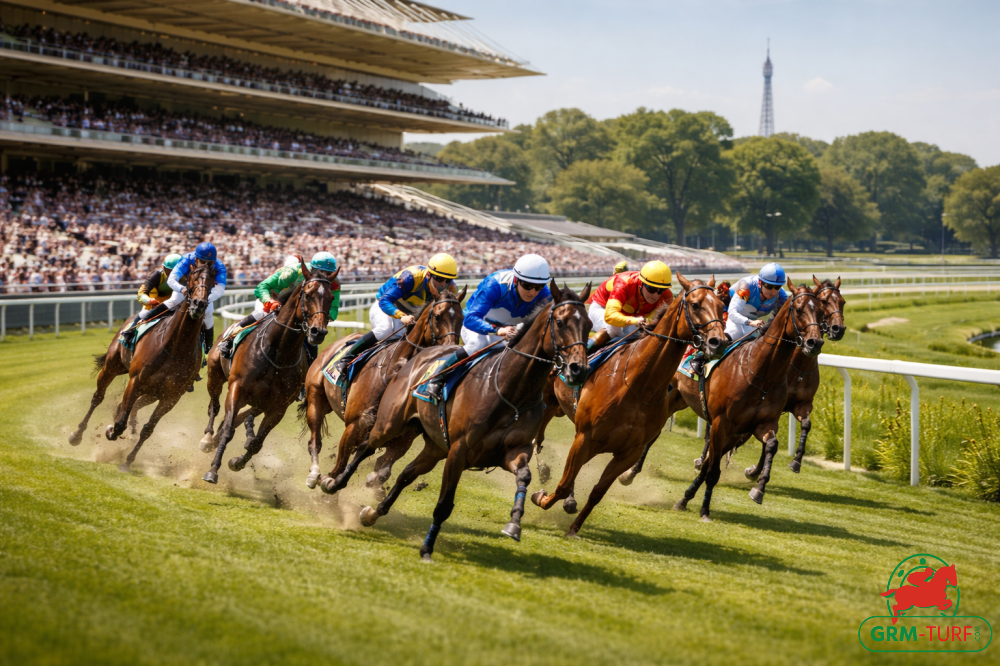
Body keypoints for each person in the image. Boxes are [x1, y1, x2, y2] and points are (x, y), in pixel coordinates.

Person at [422, 253, 552, 401]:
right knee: (477, 344)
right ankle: (438, 377)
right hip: (477, 325)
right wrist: (497, 330)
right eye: (527, 286)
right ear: (516, 280)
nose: (533, 292)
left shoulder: (544, 294)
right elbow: (470, 319)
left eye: (539, 287)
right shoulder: (495, 284)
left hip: (510, 329)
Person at [334, 253, 458, 373]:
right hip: (386, 308)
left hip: (412, 316)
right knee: (386, 329)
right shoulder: (410, 278)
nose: (443, 284)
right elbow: (385, 301)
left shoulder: (451, 288)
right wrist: (401, 316)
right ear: (428, 275)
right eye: (439, 279)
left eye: (448, 280)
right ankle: (347, 357)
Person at [218, 252, 341, 359]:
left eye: (329, 273)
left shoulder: (334, 283)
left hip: (297, 309)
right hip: (273, 299)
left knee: (310, 337)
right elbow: (262, 287)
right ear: (312, 268)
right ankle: (230, 338)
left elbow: (334, 311)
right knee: (261, 314)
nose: (325, 276)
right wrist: (269, 302)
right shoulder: (293, 272)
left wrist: (320, 313)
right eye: (321, 272)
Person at [136, 242, 227, 355]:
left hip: (205, 292)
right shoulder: (186, 259)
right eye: (203, 262)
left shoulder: (219, 266)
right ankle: (143, 321)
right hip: (186, 287)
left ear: (214, 261)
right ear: (196, 259)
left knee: (208, 313)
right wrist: (182, 289)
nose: (206, 265)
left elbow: (220, 289)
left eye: (210, 263)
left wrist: (205, 298)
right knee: (174, 301)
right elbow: (171, 280)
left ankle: (209, 346)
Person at [587, 260, 673, 351]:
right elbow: (609, 316)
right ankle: (584, 352)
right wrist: (633, 321)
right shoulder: (623, 284)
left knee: (638, 332)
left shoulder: (666, 296)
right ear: (641, 283)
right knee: (614, 328)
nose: (656, 295)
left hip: (630, 315)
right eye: (651, 289)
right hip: (602, 308)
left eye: (661, 290)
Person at [726, 261, 788, 341]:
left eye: (777, 287)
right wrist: (751, 322)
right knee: (734, 333)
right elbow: (732, 313)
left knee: (754, 338)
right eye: (769, 286)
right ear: (760, 283)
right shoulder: (746, 287)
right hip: (727, 310)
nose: (773, 291)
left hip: (750, 317)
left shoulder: (781, 295)